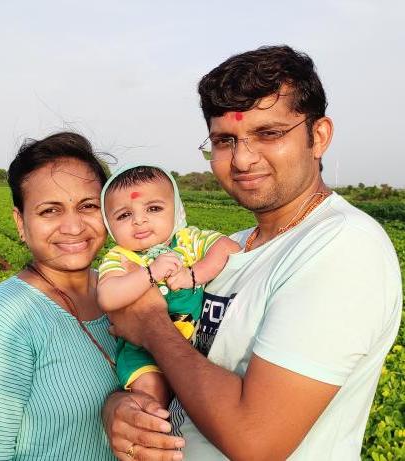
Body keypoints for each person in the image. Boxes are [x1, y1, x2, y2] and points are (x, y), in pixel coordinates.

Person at [102, 45, 402, 460]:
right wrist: (119, 408)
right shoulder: (233, 246)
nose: (242, 159)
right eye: (224, 140)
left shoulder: (343, 247)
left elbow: (256, 440)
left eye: (269, 133)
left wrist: (150, 325)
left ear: (318, 136)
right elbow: (190, 366)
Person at [0, 132, 119, 460]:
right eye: (50, 211)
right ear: (21, 222)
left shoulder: (125, 292)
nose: (73, 227)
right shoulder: (1, 322)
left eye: (87, 206)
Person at [97, 164, 239, 407]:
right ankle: (154, 426)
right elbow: (108, 296)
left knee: (206, 393)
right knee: (150, 392)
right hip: (142, 352)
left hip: (195, 347)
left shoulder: (189, 240)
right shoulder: (120, 257)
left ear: (177, 211)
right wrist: (150, 273)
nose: (139, 220)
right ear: (109, 226)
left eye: (153, 208)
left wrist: (193, 275)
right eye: (124, 215)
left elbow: (229, 248)